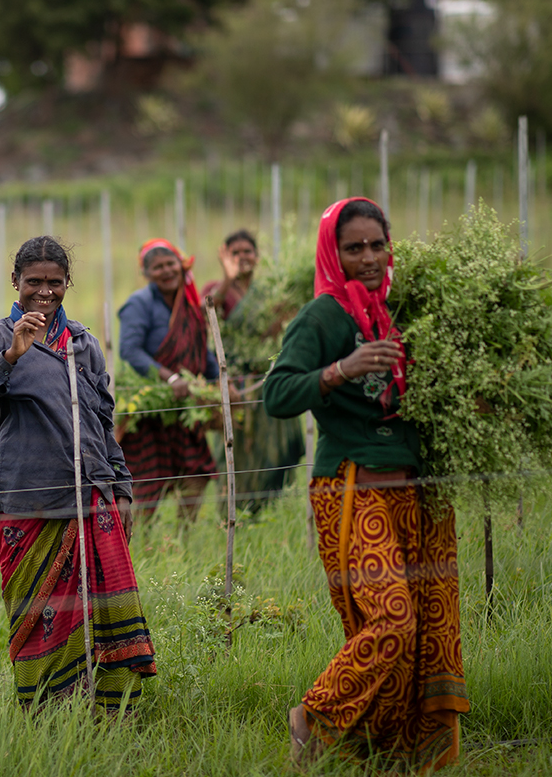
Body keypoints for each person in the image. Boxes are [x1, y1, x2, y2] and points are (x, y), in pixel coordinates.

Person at [263, 198, 468, 770]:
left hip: (419, 493)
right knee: (391, 619)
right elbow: (276, 395)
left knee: (424, 625)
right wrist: (341, 370)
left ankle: (388, 747)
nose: (370, 258)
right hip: (354, 489)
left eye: (378, 245)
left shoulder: (403, 308)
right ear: (334, 252)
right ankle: (313, 715)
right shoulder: (323, 317)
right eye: (354, 248)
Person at [0, 236, 157, 712]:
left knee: (101, 615)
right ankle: (45, 716)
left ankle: (105, 716)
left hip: (93, 497)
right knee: (38, 616)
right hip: (26, 498)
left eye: (55, 283)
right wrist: (10, 358)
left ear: (68, 284)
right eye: (34, 282)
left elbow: (104, 422)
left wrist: (121, 487)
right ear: (15, 283)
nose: (45, 293)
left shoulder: (83, 343)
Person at [203, 229, 305, 516]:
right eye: (235, 252)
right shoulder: (216, 287)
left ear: (257, 257)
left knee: (277, 449)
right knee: (239, 451)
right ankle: (234, 514)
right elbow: (206, 310)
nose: (243, 257)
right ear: (225, 257)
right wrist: (228, 277)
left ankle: (266, 510)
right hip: (236, 382)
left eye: (248, 251)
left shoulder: (269, 292)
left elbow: (279, 328)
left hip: (268, 379)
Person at [117, 238, 219, 521]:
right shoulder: (139, 304)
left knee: (197, 472)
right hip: (152, 409)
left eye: (170, 264)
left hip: (186, 407)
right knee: (148, 481)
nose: (166, 271)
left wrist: (221, 380)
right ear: (147, 274)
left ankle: (185, 539)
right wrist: (170, 377)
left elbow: (200, 347)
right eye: (158, 267)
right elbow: (130, 350)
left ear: (181, 265)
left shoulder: (190, 303)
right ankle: (142, 541)